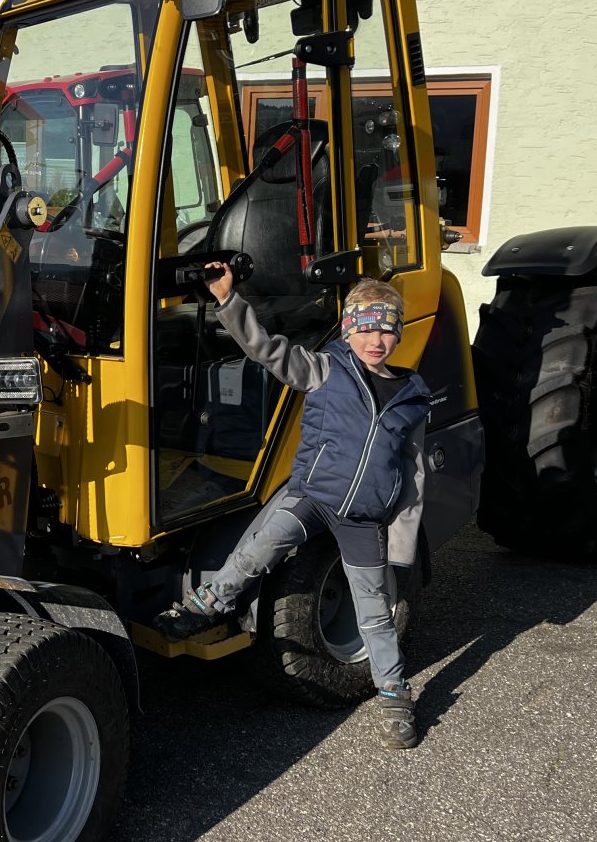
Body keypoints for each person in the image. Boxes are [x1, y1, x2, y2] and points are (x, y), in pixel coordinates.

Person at [153, 266, 431, 749]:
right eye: (365, 327)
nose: (376, 339)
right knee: (258, 550)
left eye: (386, 328)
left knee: (375, 609)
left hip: (364, 517)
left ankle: (393, 694)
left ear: (399, 332)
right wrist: (227, 300)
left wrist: (402, 542)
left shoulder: (413, 396)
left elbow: (415, 471)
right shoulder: (325, 368)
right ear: (348, 329)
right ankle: (204, 606)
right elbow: (265, 349)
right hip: (312, 496)